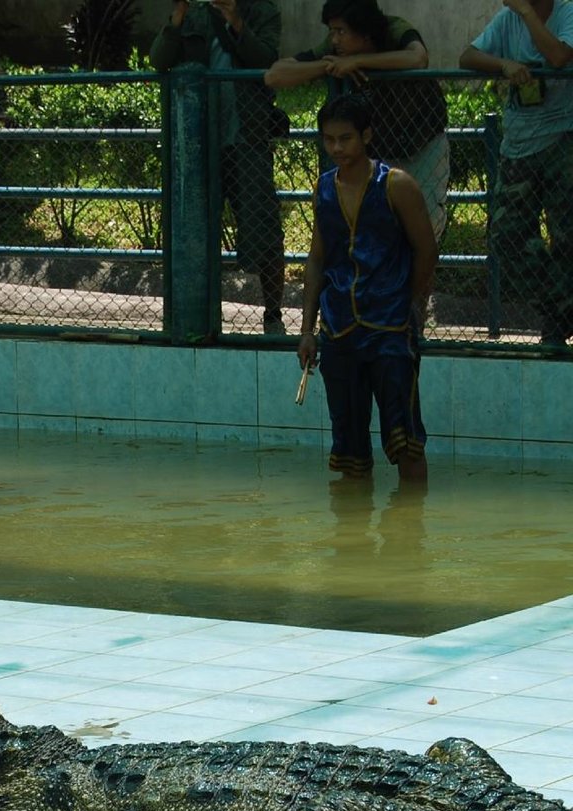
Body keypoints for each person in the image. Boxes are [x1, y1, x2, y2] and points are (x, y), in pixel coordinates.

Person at [299, 93, 437, 483]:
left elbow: (427, 250)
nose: (337, 148)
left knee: (406, 440)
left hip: (390, 329)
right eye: (329, 139)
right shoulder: (324, 189)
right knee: (348, 449)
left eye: (346, 138)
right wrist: (308, 330)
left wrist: (407, 303)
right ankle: (351, 538)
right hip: (340, 328)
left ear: (367, 135)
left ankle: (411, 534)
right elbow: (316, 259)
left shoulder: (397, 185)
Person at [150, 0, 288, 335]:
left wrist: (237, 23)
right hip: (199, 145)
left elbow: (267, 61)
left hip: (248, 138)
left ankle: (273, 316)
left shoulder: (263, 11)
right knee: (195, 229)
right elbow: (159, 60)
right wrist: (177, 19)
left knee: (264, 228)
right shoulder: (193, 13)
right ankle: (194, 317)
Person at [265, 0, 449, 242]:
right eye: (332, 31)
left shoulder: (394, 29)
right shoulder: (334, 50)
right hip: (381, 148)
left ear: (364, 31)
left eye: (341, 31)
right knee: (381, 228)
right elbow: (274, 75)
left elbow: (417, 58)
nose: (334, 40)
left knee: (423, 228)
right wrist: (327, 66)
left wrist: (359, 62)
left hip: (424, 143)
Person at [459, 0, 573, 347]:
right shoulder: (506, 20)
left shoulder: (566, 12)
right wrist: (503, 64)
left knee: (567, 239)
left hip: (563, 140)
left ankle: (555, 324)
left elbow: (558, 56)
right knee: (506, 237)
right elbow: (467, 57)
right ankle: (560, 309)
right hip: (519, 143)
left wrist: (527, 13)